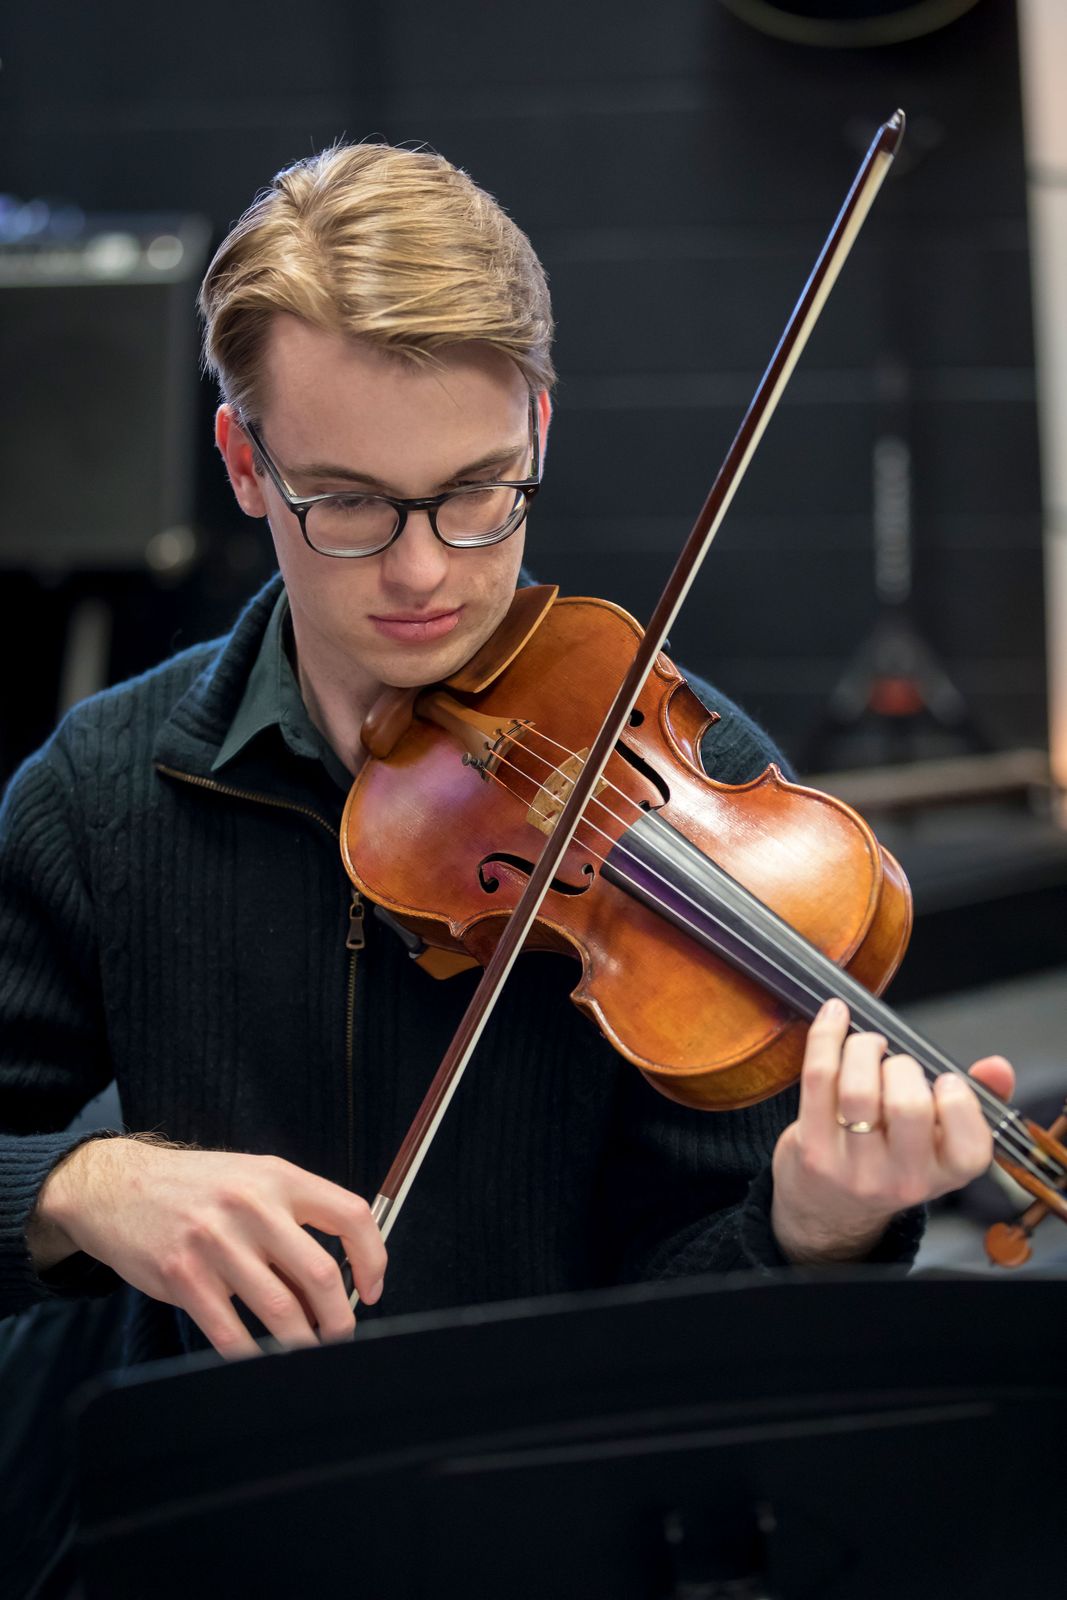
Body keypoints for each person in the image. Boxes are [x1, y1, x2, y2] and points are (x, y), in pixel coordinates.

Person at [1, 142, 1014, 1368]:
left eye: (477, 490)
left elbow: (695, 1350)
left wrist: (810, 1230)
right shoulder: (104, 789)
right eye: (348, 502)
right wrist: (85, 1185)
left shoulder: (702, 784)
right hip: (207, 1463)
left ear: (536, 426)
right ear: (243, 465)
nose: (422, 570)